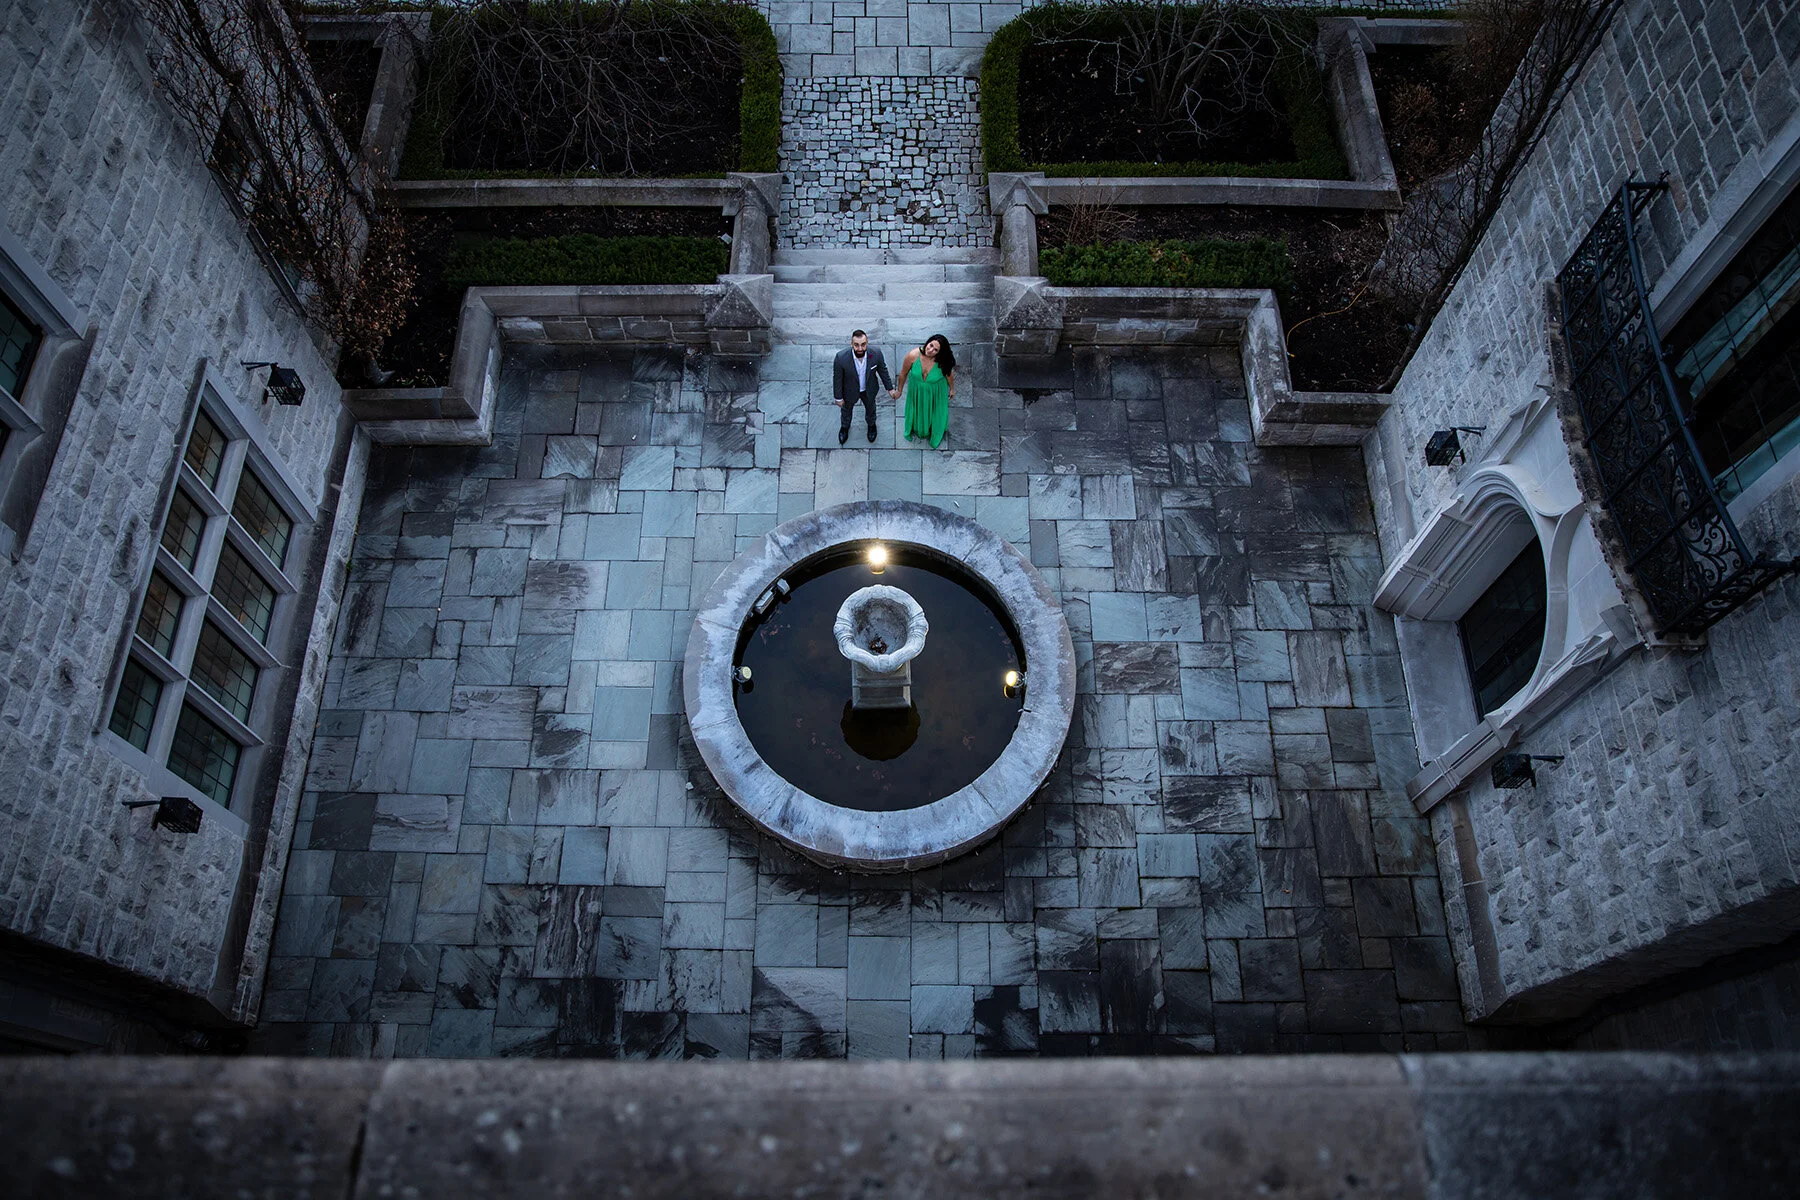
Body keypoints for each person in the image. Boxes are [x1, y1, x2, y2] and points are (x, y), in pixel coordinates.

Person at [832, 329, 894, 445]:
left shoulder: (876, 353)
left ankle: (871, 425)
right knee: (846, 410)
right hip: (849, 391)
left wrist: (890, 388)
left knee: (871, 408)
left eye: (863, 344)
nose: (860, 348)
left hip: (869, 389)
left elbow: (883, 371)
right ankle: (845, 427)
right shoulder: (841, 358)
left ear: (867, 343)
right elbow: (837, 379)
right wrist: (838, 397)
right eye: (856, 345)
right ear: (851, 344)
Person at [894, 334, 955, 449]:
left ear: (940, 353)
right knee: (917, 409)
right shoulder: (913, 355)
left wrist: (952, 389)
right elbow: (903, 374)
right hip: (917, 391)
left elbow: (949, 376)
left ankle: (935, 430)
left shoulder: (943, 361)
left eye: (935, 350)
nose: (930, 350)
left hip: (936, 392)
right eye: (931, 345)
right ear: (928, 342)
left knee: (936, 411)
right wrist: (899, 390)